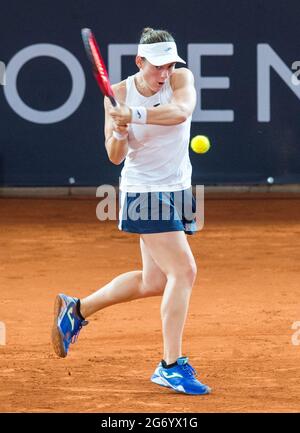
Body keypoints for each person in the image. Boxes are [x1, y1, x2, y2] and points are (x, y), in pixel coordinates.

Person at [52, 27, 211, 396]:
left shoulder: (180, 79)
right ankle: (171, 366)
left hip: (178, 188)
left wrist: (135, 114)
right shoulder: (119, 93)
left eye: (170, 65)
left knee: (152, 282)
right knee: (184, 272)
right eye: (157, 67)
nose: (164, 74)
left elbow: (180, 112)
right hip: (144, 192)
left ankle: (75, 310)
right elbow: (114, 155)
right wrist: (120, 130)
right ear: (139, 62)